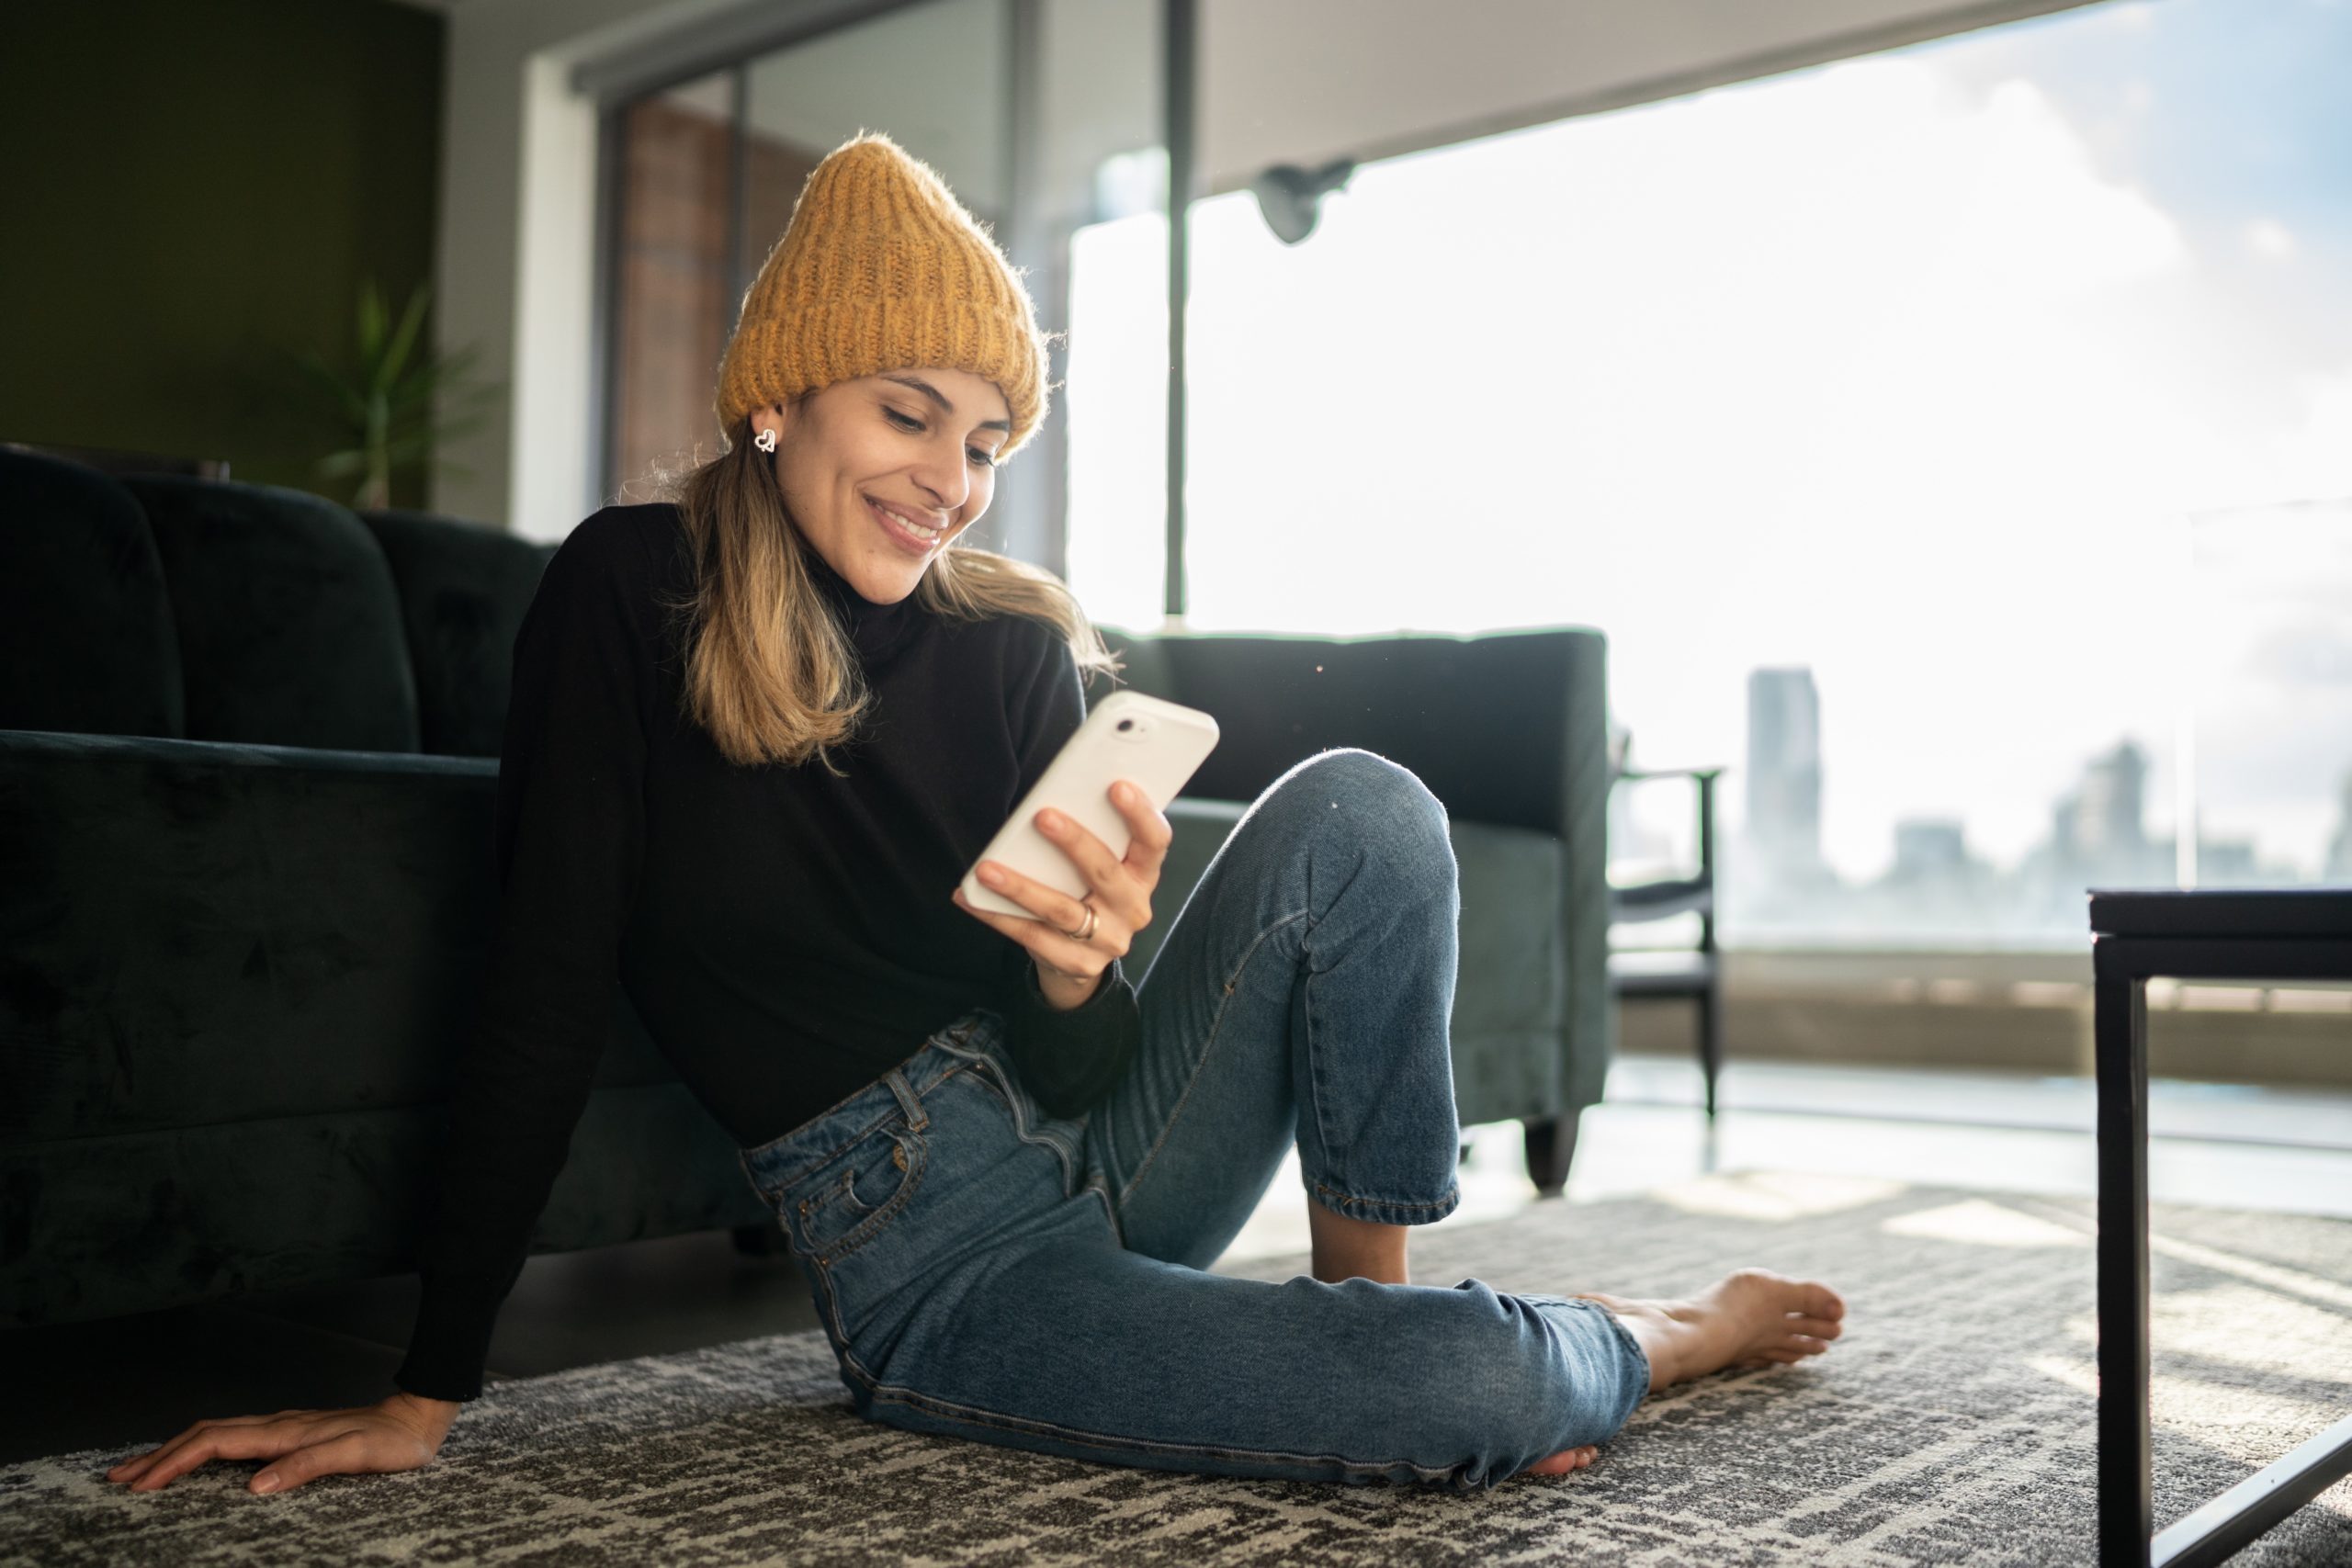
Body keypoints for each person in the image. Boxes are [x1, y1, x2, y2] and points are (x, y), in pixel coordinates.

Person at [107, 130, 1845, 1501]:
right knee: (1474, 1395)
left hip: (1102, 1154)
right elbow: (540, 984)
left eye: (991, 435)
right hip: (935, 1260)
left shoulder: (1011, 650)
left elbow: (1084, 1081)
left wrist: (1086, 976)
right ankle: (1630, 1339)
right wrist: (430, 1387)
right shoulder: (629, 595)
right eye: (909, 412)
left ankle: (1372, 1328)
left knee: (1369, 808)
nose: (951, 476)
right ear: (782, 392)